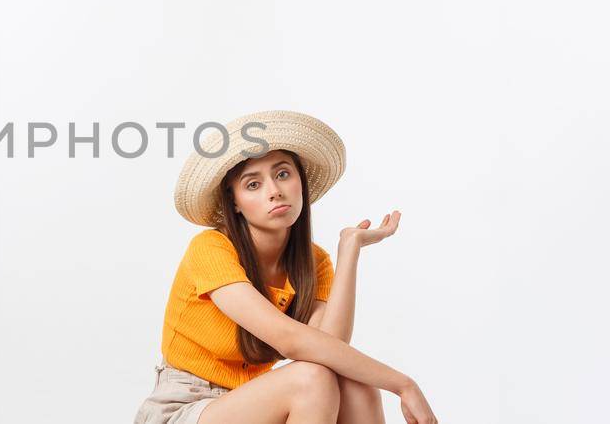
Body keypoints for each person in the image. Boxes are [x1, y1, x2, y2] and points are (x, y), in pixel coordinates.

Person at [133, 110, 438, 424]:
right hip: (183, 406)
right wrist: (402, 384)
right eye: (253, 184)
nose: (274, 191)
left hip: (252, 401)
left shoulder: (314, 262)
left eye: (282, 174)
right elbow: (289, 340)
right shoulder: (210, 249)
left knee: (355, 382)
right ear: (235, 202)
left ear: (300, 183)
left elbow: (329, 347)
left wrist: (349, 249)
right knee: (312, 381)